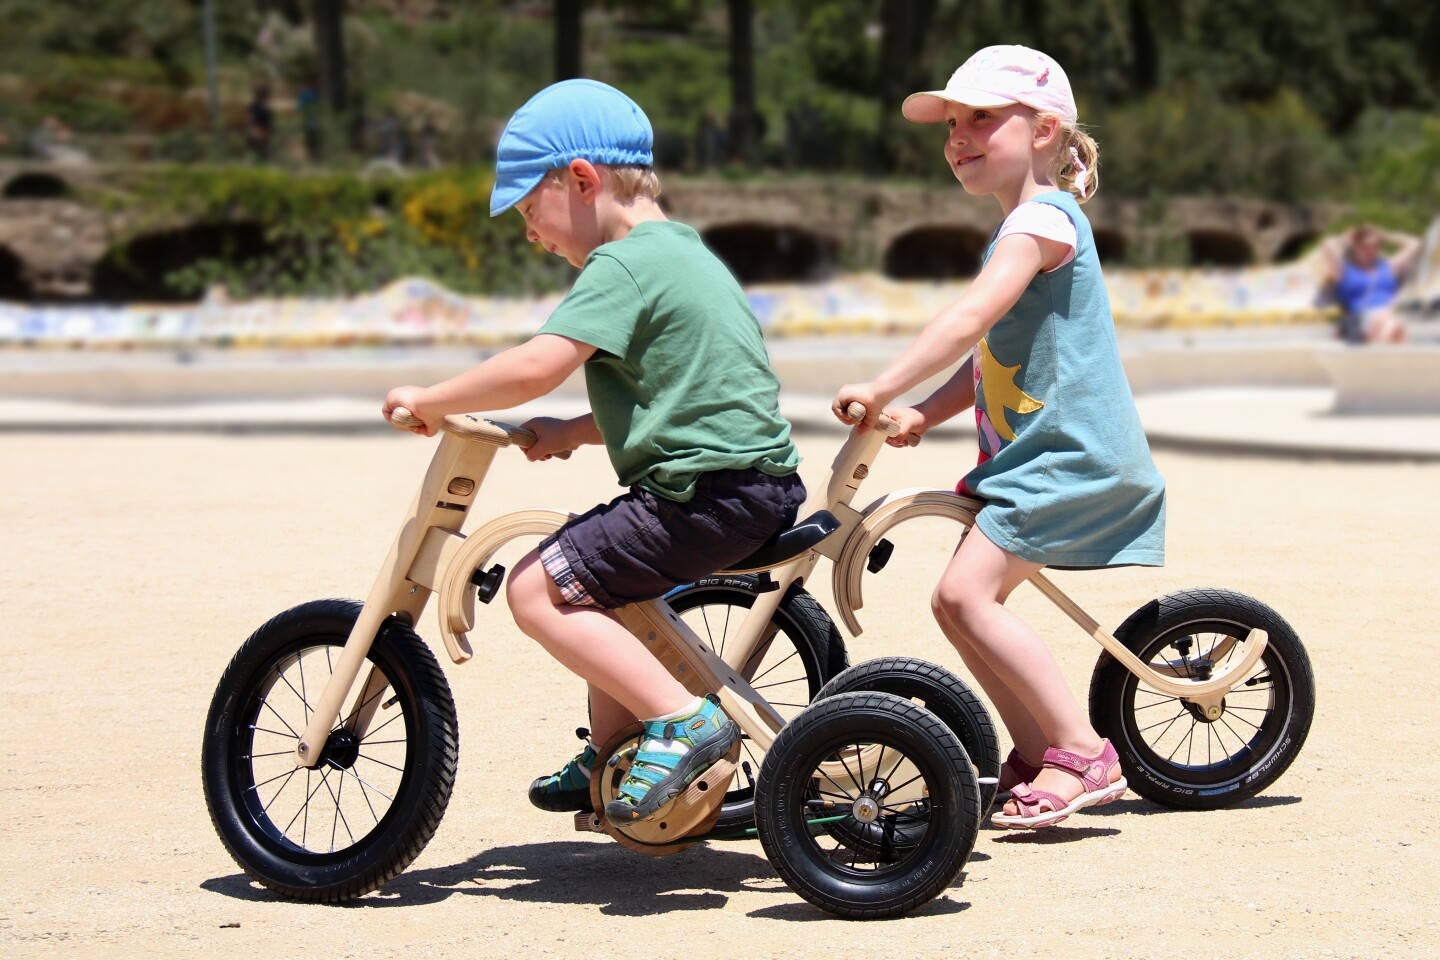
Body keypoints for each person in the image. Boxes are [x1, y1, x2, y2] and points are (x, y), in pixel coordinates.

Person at [382, 79, 805, 827]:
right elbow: (688, 397)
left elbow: (534, 366)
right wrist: (571, 431)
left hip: (699, 497)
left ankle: (680, 721)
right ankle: (613, 751)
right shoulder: (687, 254)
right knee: (598, 578)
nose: (529, 234)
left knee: (537, 588)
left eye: (528, 210)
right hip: (751, 488)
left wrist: (432, 399)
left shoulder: (622, 265)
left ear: (581, 180)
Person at [832, 46, 1165, 829]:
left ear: (1045, 130)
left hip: (1070, 458)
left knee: (962, 595)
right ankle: (1035, 750)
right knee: (956, 604)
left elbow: (971, 318)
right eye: (951, 124)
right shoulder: (1022, 226)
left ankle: (1083, 751)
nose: (958, 137)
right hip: (1033, 460)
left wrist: (884, 386)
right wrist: (924, 411)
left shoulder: (1044, 221)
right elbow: (993, 355)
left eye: (981, 118)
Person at [1320, 225, 1422, 344]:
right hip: (1360, 318)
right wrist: (1345, 238)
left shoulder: (1388, 267)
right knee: (1386, 320)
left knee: (1388, 324)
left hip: (1387, 316)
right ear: (1355, 247)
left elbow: (1415, 244)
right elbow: (1327, 245)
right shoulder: (1344, 271)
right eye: (1365, 247)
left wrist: (1386, 235)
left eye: (1375, 246)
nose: (1370, 251)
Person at [245, 85, 274, 163]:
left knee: (263, 154)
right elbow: (251, 120)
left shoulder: (265, 107)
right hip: (257, 132)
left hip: (264, 133)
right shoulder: (255, 107)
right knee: (256, 153)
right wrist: (256, 131)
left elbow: (268, 121)